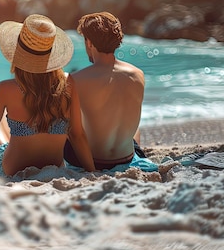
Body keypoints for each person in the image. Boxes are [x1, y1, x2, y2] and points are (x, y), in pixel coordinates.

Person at [0, 14, 95, 177]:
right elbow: (77, 134)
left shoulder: (5, 89)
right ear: (51, 54)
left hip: (12, 171)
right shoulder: (68, 83)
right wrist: (92, 171)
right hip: (55, 168)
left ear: (18, 52)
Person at [63, 12, 155, 171]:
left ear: (89, 43)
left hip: (93, 160)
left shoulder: (75, 80)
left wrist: (91, 171)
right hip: (127, 157)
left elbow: (75, 134)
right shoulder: (137, 74)